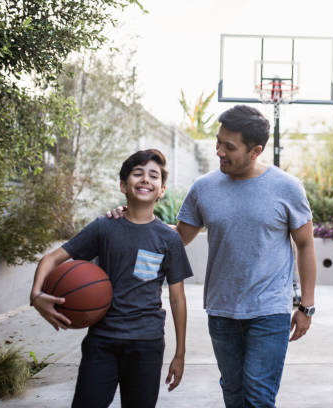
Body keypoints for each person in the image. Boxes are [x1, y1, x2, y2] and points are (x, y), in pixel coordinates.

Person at [111, 105, 317, 407]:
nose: (219, 151)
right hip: (222, 312)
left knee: (258, 396)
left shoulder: (287, 188)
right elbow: (177, 237)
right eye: (218, 142)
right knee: (233, 392)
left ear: (255, 150)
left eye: (229, 146)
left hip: (269, 310)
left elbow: (305, 245)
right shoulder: (204, 188)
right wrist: (132, 218)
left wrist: (307, 306)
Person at [30, 149, 193, 408]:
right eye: (137, 173)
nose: (145, 180)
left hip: (146, 343)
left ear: (161, 189)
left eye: (153, 176)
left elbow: (177, 297)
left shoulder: (168, 239)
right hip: (102, 340)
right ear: (122, 185)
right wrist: (36, 295)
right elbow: (51, 258)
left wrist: (180, 353)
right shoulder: (104, 227)